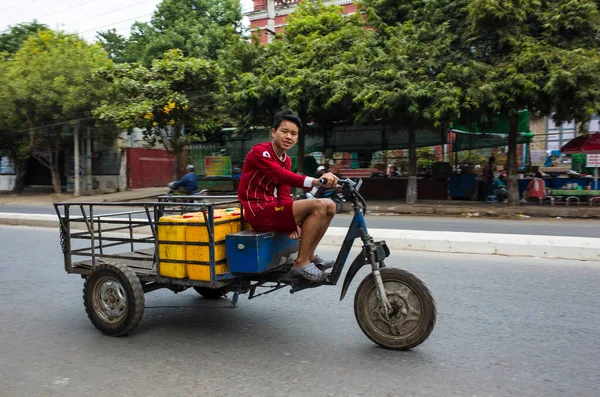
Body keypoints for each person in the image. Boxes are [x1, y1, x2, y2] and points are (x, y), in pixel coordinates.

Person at [238, 109, 339, 282]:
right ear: (273, 132)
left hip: (273, 208)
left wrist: (290, 225)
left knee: (330, 205)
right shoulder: (260, 152)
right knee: (318, 204)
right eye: (284, 131)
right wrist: (315, 181)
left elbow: (284, 194)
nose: (289, 137)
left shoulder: (286, 160)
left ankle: (309, 256)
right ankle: (301, 263)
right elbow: (281, 175)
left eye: (294, 134)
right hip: (258, 211)